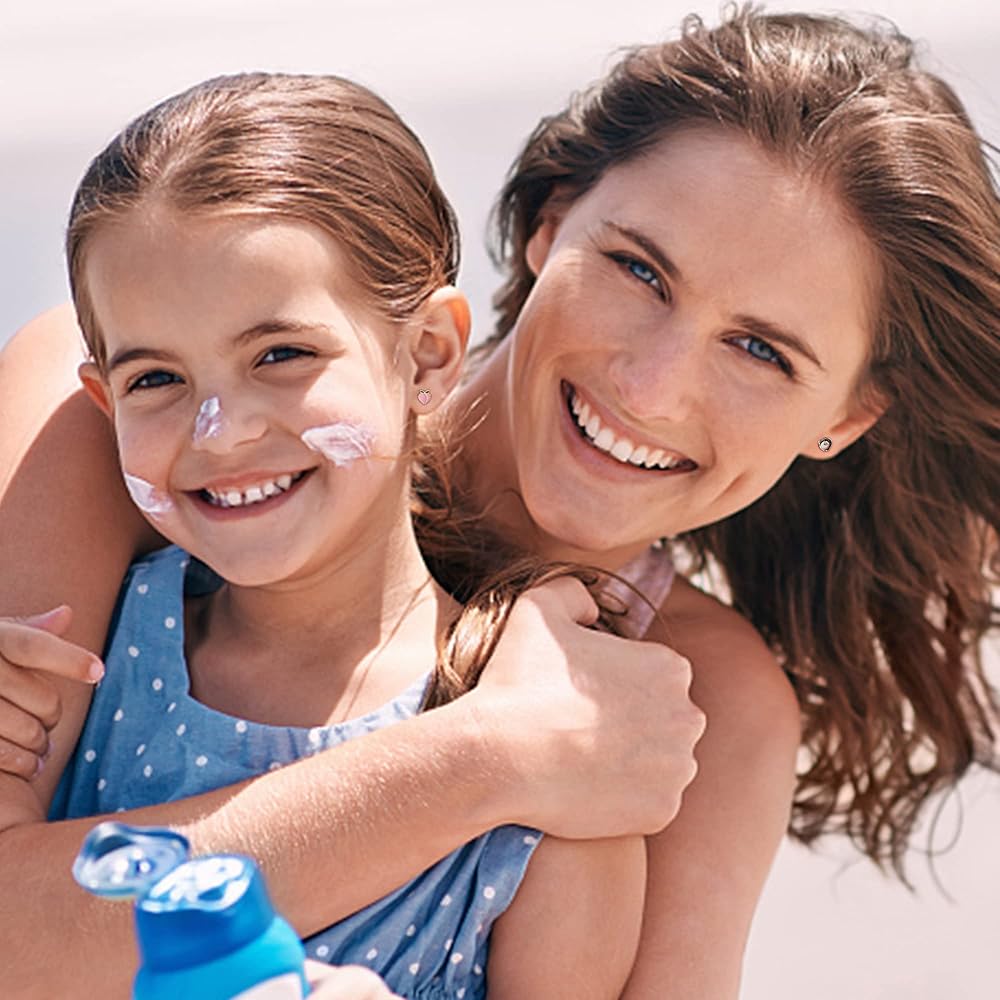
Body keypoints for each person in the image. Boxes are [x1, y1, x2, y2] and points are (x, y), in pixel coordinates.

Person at [2, 6, 998, 998]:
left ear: (846, 416)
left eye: (760, 350)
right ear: (550, 226)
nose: (650, 387)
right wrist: (484, 758)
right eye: (639, 269)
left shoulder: (700, 693)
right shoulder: (123, 413)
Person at [1, 72, 656, 999]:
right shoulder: (71, 656)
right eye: (156, 379)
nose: (220, 431)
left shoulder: (561, 783)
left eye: (282, 355)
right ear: (104, 401)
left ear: (428, 353)